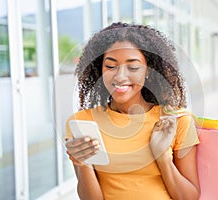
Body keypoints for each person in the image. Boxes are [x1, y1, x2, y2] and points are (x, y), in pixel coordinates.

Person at [65, 22, 200, 200]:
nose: (120, 77)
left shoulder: (176, 120)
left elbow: (190, 197)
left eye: (133, 67)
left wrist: (163, 158)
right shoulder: (83, 122)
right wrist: (82, 162)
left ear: (149, 71)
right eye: (110, 66)